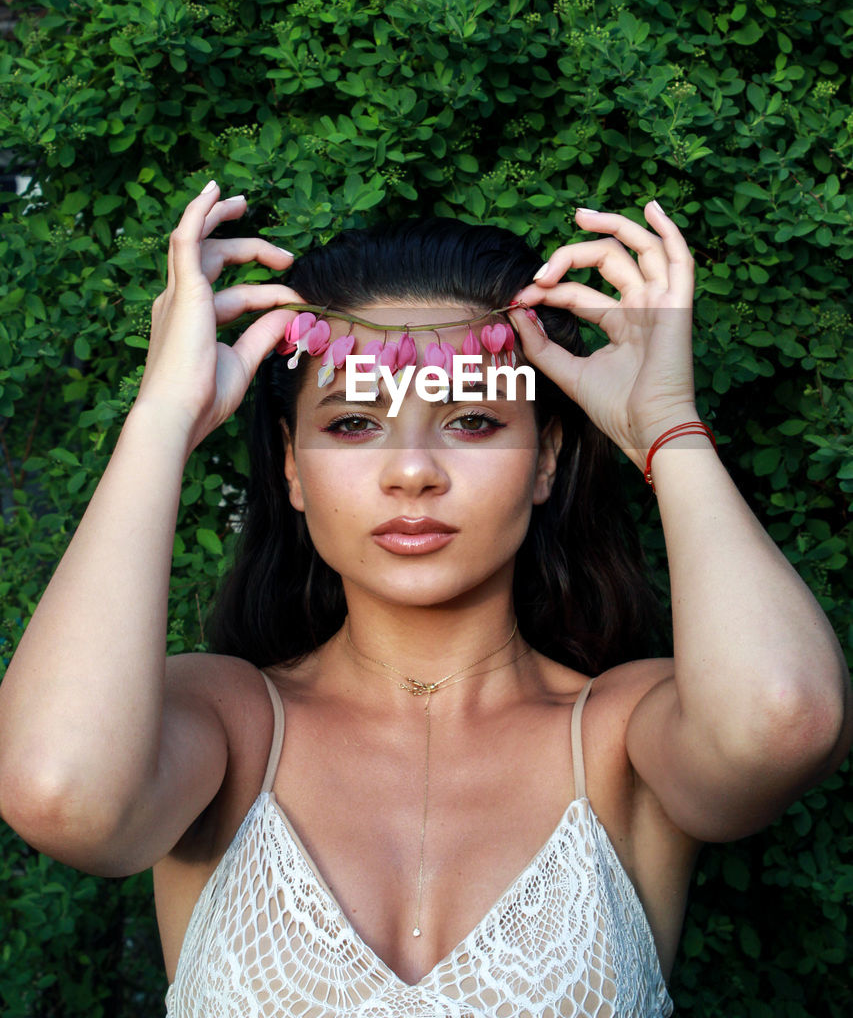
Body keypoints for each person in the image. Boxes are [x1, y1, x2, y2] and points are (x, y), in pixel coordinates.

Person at [0, 183, 849, 1018]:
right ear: (292, 469)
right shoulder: (230, 727)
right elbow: (60, 793)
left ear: (545, 460)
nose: (412, 472)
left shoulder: (621, 739)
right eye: (353, 423)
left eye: (473, 420)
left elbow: (784, 719)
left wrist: (667, 423)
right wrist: (161, 419)